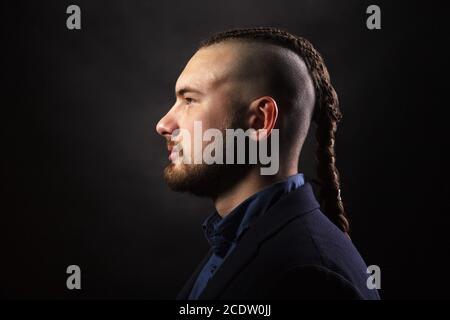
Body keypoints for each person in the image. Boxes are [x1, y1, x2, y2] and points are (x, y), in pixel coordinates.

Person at [156, 27, 380, 300]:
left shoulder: (308, 276)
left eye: (189, 100)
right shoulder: (236, 239)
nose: (164, 124)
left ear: (261, 120)